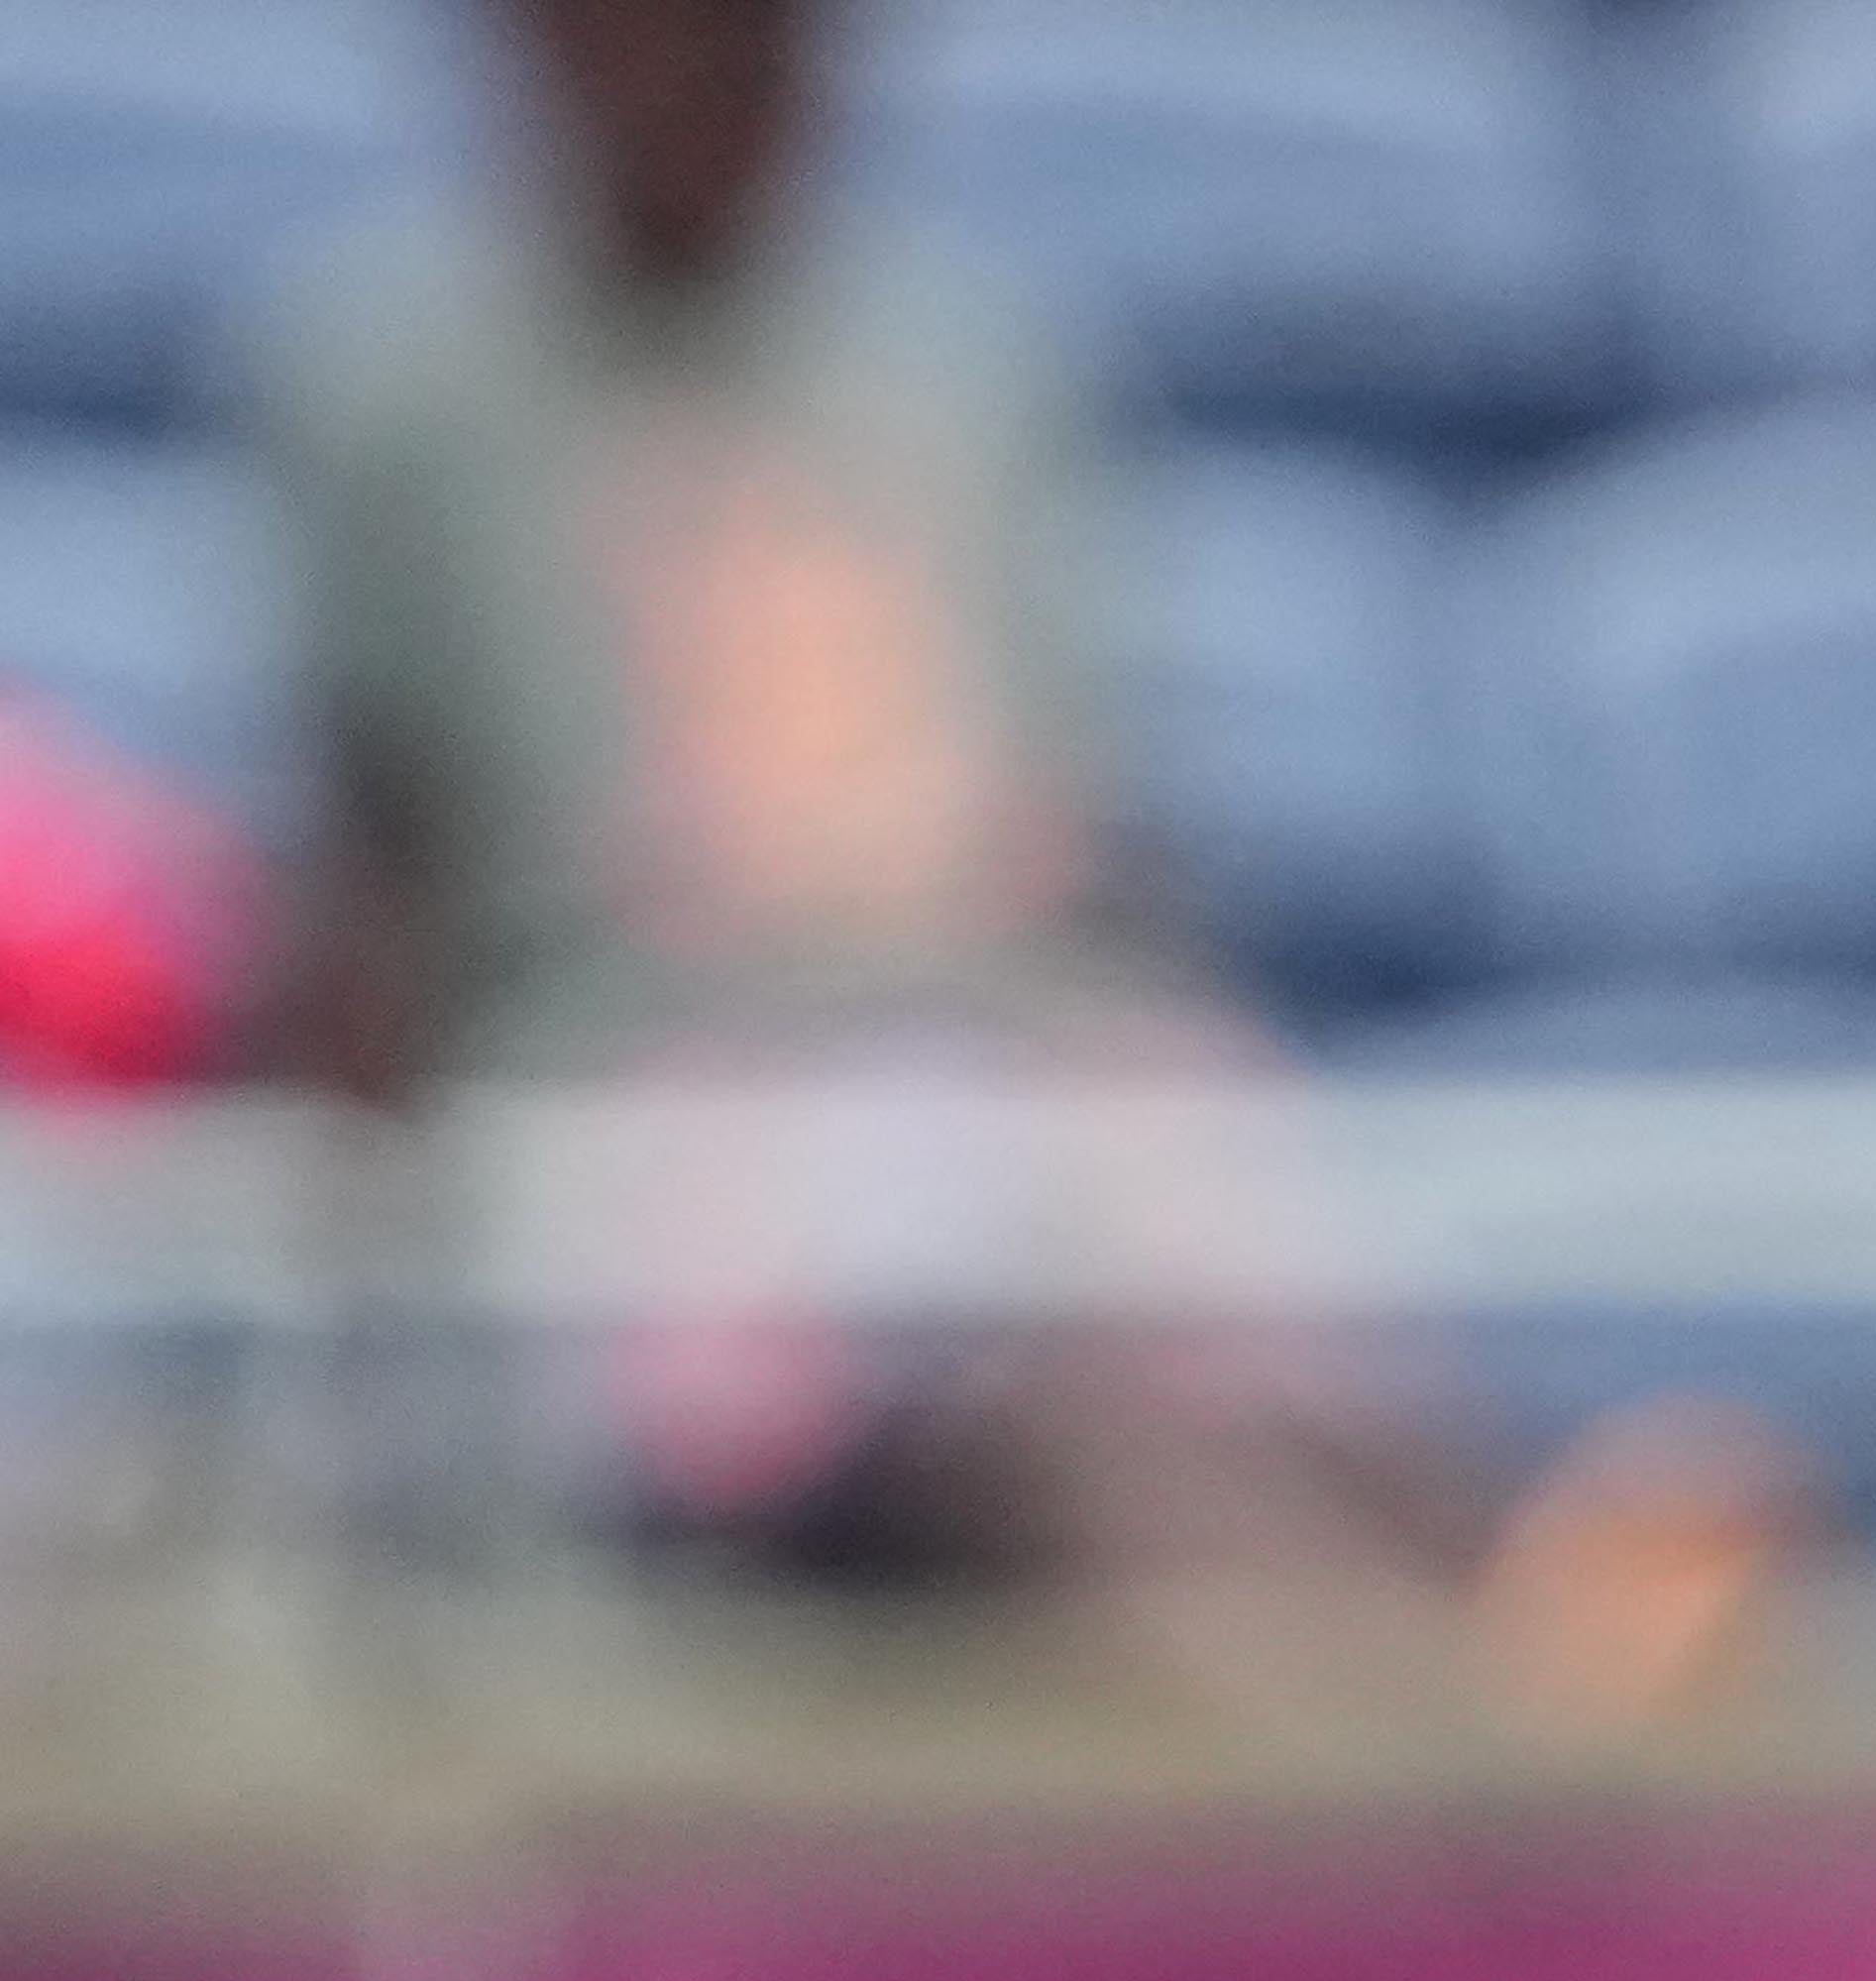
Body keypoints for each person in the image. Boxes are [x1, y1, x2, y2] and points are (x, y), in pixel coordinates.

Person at [242, 0, 1469, 1639]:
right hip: (665, 1107)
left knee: (1311, 1416)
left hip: (1045, 1057)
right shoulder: (395, 385)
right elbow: (371, 874)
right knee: (1053, 1445)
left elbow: (1095, 835)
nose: (707, 86)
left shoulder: (978, 360)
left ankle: (1494, 1662)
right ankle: (1425, 1717)